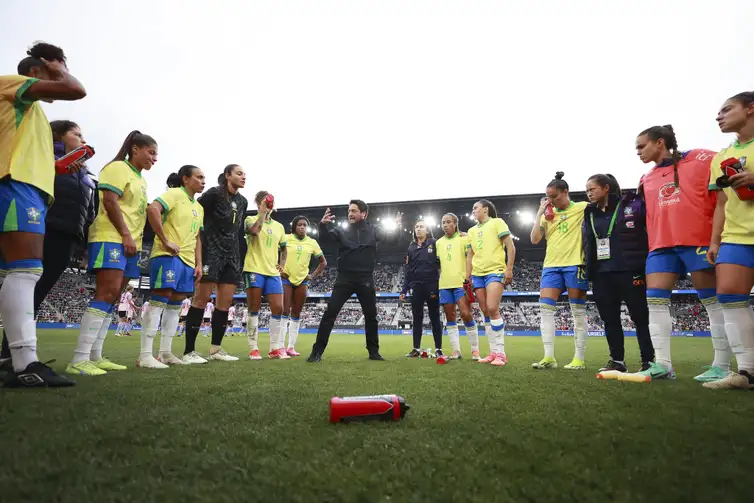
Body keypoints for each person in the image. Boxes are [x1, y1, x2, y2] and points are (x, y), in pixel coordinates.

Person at [0, 42, 86, 387]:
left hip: (26, 186)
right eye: (54, 67)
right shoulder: (11, 83)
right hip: (14, 185)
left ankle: (18, 360)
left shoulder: (31, 112)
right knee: (25, 272)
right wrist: (58, 67)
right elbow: (75, 90)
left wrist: (54, 169)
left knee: (18, 273)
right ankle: (25, 364)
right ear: (36, 71)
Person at [636, 125, 729, 382]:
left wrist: (716, 239)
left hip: (698, 240)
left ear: (660, 142)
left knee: (711, 301)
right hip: (660, 246)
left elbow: (729, 171)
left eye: (642, 146)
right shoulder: (647, 178)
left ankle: (722, 364)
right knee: (654, 301)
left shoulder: (701, 157)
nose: (638, 152)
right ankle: (663, 364)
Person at [67, 130, 156, 376]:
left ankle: (95, 356)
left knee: (114, 296)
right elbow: (109, 201)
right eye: (151, 152)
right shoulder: (118, 168)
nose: (154, 158)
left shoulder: (140, 179)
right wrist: (126, 235)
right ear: (135, 148)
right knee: (106, 293)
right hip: (111, 238)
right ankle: (79, 358)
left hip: (130, 244)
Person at [307, 200, 403, 362]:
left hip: (365, 278)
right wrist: (322, 226)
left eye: (354, 211)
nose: (350, 214)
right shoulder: (341, 230)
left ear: (364, 214)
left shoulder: (374, 230)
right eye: (349, 211)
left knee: (371, 316)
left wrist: (398, 227)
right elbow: (325, 240)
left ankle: (374, 352)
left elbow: (392, 240)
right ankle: (317, 352)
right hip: (344, 278)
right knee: (330, 313)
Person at [704, 91, 754, 389]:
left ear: (750, 109)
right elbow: (721, 204)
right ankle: (747, 372)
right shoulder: (721, 157)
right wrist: (714, 241)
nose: (719, 116)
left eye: (726, 109)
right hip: (736, 236)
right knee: (729, 296)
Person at [583, 174, 653, 374]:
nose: (589, 194)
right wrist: (590, 271)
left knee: (640, 317)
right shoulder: (590, 212)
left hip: (629, 270)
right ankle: (617, 361)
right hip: (602, 274)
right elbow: (588, 240)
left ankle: (648, 361)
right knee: (610, 319)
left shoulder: (629, 205)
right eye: (587, 190)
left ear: (606, 188)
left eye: (592, 189)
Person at [139, 165, 205, 368]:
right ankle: (145, 355)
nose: (203, 181)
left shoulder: (199, 207)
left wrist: (199, 263)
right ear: (186, 179)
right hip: (168, 255)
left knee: (176, 305)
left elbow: (197, 238)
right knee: (159, 300)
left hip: (187, 261)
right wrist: (165, 240)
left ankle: (165, 352)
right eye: (199, 177)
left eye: (204, 178)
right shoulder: (174, 194)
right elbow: (152, 209)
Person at [182, 164, 247, 362]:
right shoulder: (213, 194)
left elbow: (238, 231)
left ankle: (216, 349)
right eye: (239, 173)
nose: (243, 177)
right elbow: (196, 215)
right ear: (227, 176)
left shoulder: (242, 201)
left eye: (244, 174)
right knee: (200, 300)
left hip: (232, 256)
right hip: (211, 253)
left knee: (224, 304)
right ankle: (188, 352)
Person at [530, 172, 589, 370]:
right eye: (548, 197)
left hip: (575, 264)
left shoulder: (581, 208)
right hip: (551, 267)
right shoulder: (548, 215)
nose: (551, 201)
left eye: (554, 196)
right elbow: (535, 239)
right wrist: (540, 211)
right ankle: (549, 357)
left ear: (566, 192)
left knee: (577, 312)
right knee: (546, 310)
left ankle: (579, 359)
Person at [466, 200, 515, 366]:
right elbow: (470, 255)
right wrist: (468, 277)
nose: (473, 211)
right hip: (477, 274)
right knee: (485, 311)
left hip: (495, 271)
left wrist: (509, 268)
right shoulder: (471, 231)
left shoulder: (497, 222)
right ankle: (493, 352)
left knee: (493, 308)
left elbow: (510, 246)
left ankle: (501, 353)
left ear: (485, 209)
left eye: (475, 208)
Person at [244, 190, 288, 360]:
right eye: (263, 201)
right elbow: (254, 230)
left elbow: (284, 248)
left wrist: (282, 264)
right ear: (257, 203)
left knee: (278, 308)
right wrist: (261, 213)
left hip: (272, 272)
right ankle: (253, 347)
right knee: (254, 308)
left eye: (269, 201)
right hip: (254, 268)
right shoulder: (250, 219)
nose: (268, 204)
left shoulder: (279, 226)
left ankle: (274, 348)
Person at [436, 213, 480, 360]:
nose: (445, 225)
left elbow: (472, 257)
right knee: (450, 316)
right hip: (444, 284)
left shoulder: (464, 238)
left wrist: (469, 278)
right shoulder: (438, 243)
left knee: (466, 314)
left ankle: (475, 350)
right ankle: (456, 351)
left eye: (449, 222)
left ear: (455, 224)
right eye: (443, 223)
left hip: (461, 283)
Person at [281, 216, 326, 356]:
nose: (302, 227)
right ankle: (280, 346)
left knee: (296, 313)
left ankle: (291, 347)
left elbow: (323, 262)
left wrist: (312, 276)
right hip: (286, 278)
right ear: (294, 226)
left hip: (302, 281)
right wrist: (277, 267)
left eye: (304, 225)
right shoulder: (286, 238)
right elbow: (272, 252)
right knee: (284, 311)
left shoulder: (312, 242)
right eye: (299, 225)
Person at [400, 219, 444, 358]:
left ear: (427, 230)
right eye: (417, 227)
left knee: (435, 317)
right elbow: (408, 270)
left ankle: (438, 349)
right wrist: (404, 289)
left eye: (421, 227)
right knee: (416, 318)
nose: (418, 229)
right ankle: (416, 349)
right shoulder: (411, 247)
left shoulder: (434, 243)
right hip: (416, 287)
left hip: (432, 286)